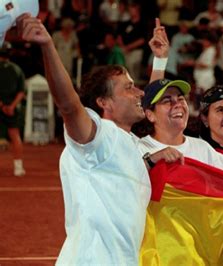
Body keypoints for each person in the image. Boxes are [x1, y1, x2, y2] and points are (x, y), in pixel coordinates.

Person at [16, 15, 171, 264]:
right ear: (103, 102)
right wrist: (48, 46)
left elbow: (147, 102)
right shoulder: (99, 139)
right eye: (128, 87)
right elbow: (68, 105)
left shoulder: (130, 142)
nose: (139, 92)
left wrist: (160, 60)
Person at [0, 44, 26, 176]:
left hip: (3, 106)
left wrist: (2, 105)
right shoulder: (17, 69)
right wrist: (11, 106)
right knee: (15, 136)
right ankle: (18, 167)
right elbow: (21, 92)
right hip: (13, 109)